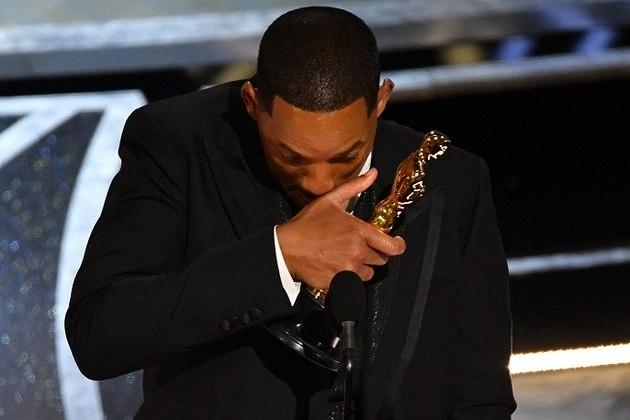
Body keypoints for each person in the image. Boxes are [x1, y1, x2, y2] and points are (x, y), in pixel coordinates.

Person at [65, 6, 517, 419]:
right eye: (292, 157)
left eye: (346, 157)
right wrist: (278, 257)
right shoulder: (177, 143)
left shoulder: (451, 179)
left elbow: (480, 393)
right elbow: (99, 335)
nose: (319, 182)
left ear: (380, 101)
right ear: (252, 103)